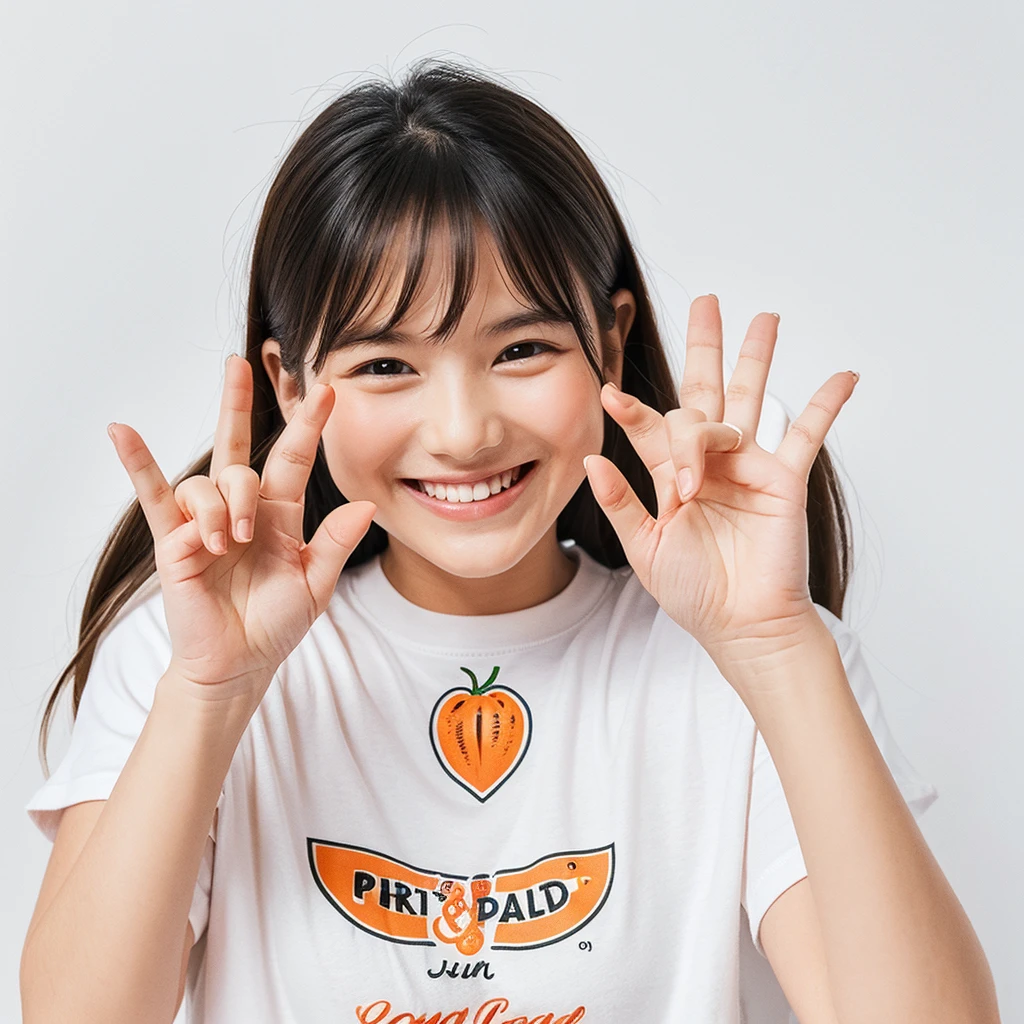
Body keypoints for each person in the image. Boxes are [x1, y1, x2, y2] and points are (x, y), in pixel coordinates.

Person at [20, 60, 1000, 1024]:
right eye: (386, 363)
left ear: (608, 344)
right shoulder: (178, 663)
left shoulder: (749, 669)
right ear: (289, 386)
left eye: (521, 349)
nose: (464, 429)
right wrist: (211, 692)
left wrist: (776, 651)